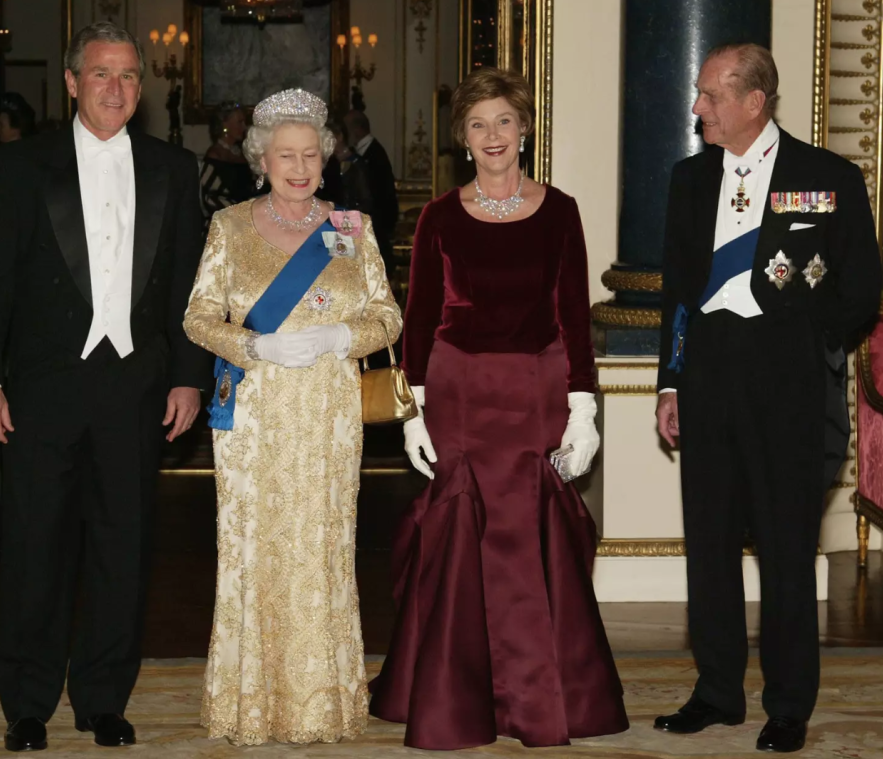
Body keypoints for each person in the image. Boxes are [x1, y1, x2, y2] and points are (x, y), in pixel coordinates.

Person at [0, 22, 210, 752]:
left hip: (136, 388)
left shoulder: (173, 166)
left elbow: (188, 292)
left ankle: (105, 695)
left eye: (130, 75)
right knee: (35, 547)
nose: (116, 87)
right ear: (71, 82)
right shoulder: (19, 165)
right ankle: (29, 702)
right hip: (40, 391)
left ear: (144, 86)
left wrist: (190, 378)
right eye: (101, 73)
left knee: (122, 548)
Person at [368, 67, 628, 750]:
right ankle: (457, 699)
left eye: (504, 122)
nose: (492, 136)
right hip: (458, 400)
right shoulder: (439, 217)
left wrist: (584, 411)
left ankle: (540, 699)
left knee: (526, 546)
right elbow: (417, 321)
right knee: (459, 544)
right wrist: (413, 411)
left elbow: (573, 314)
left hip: (536, 396)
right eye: (478, 124)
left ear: (525, 131)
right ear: (463, 137)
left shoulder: (562, 210)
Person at [655, 44, 881, 753]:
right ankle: (718, 690)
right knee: (710, 546)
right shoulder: (689, 180)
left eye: (711, 96)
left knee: (787, 551)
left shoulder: (828, 176)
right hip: (709, 379)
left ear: (754, 101)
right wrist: (671, 379)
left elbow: (861, 286)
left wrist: (812, 347)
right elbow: (677, 294)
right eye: (700, 95)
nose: (698, 109)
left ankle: (788, 703)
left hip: (788, 387)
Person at [184, 88, 402, 746]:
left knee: (322, 549)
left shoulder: (348, 228)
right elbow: (197, 318)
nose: (301, 167)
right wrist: (254, 344)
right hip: (253, 417)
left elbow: (388, 316)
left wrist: (341, 339)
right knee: (254, 551)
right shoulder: (229, 228)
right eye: (286, 155)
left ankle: (319, 702)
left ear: (327, 157)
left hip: (328, 413)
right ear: (261, 159)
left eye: (312, 154)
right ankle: (250, 703)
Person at [343, 110, 399, 267]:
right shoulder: (365, 152)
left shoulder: (374, 154)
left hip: (376, 227)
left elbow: (378, 195)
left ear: (356, 129)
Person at [200, 101, 256, 231]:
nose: (244, 127)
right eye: (239, 122)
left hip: (248, 223)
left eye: (244, 122)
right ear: (225, 124)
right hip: (224, 227)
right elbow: (208, 198)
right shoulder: (215, 155)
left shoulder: (242, 152)